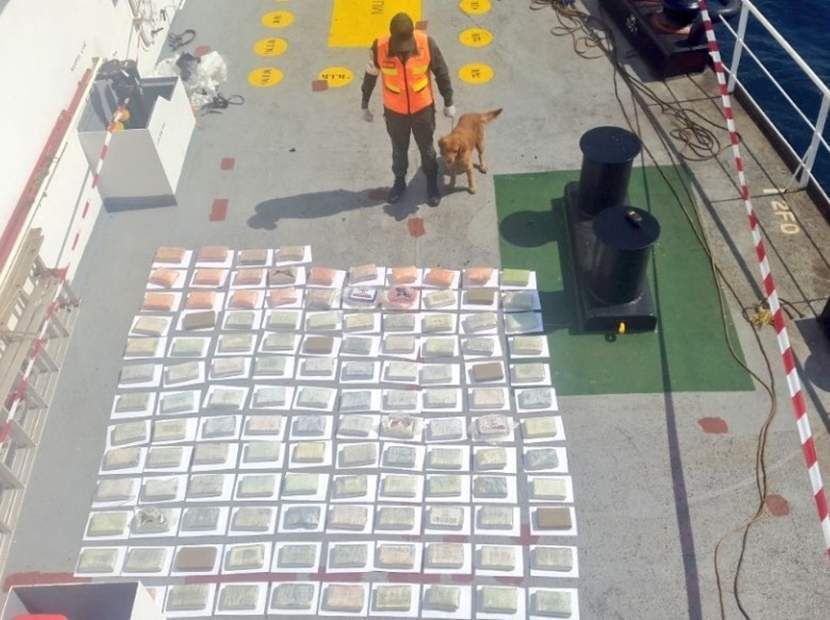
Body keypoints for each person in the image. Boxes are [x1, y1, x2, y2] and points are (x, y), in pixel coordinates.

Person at [361, 13, 456, 207]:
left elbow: (441, 72)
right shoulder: (378, 47)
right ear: (392, 36)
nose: (403, 49)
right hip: (395, 112)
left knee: (427, 148)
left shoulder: (426, 44)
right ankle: (399, 182)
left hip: (423, 109)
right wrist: (365, 104)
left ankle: (431, 182)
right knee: (399, 149)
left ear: (412, 34)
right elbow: (370, 77)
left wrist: (448, 101)